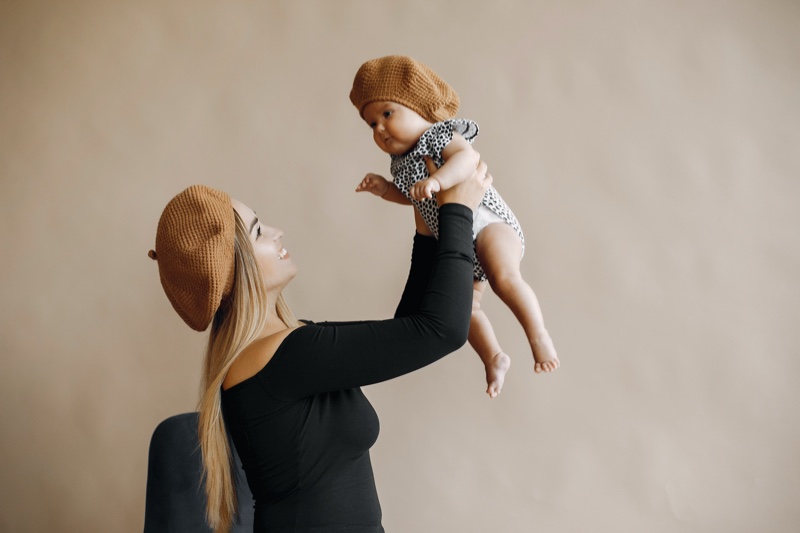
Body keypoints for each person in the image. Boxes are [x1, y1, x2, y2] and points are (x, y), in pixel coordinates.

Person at [147, 162, 491, 532]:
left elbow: (406, 334)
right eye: (259, 231)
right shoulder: (287, 356)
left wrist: (426, 230)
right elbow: (441, 331)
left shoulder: (288, 348)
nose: (278, 233)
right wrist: (459, 210)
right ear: (237, 266)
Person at [351, 55, 560, 398]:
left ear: (418, 107)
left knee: (504, 277)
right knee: (467, 311)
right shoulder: (401, 164)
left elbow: (468, 160)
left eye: (387, 114)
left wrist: (438, 180)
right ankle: (494, 357)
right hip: (460, 244)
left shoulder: (439, 135)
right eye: (371, 124)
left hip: (489, 224)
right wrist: (386, 188)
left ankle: (538, 334)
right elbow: (413, 198)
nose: (380, 129)